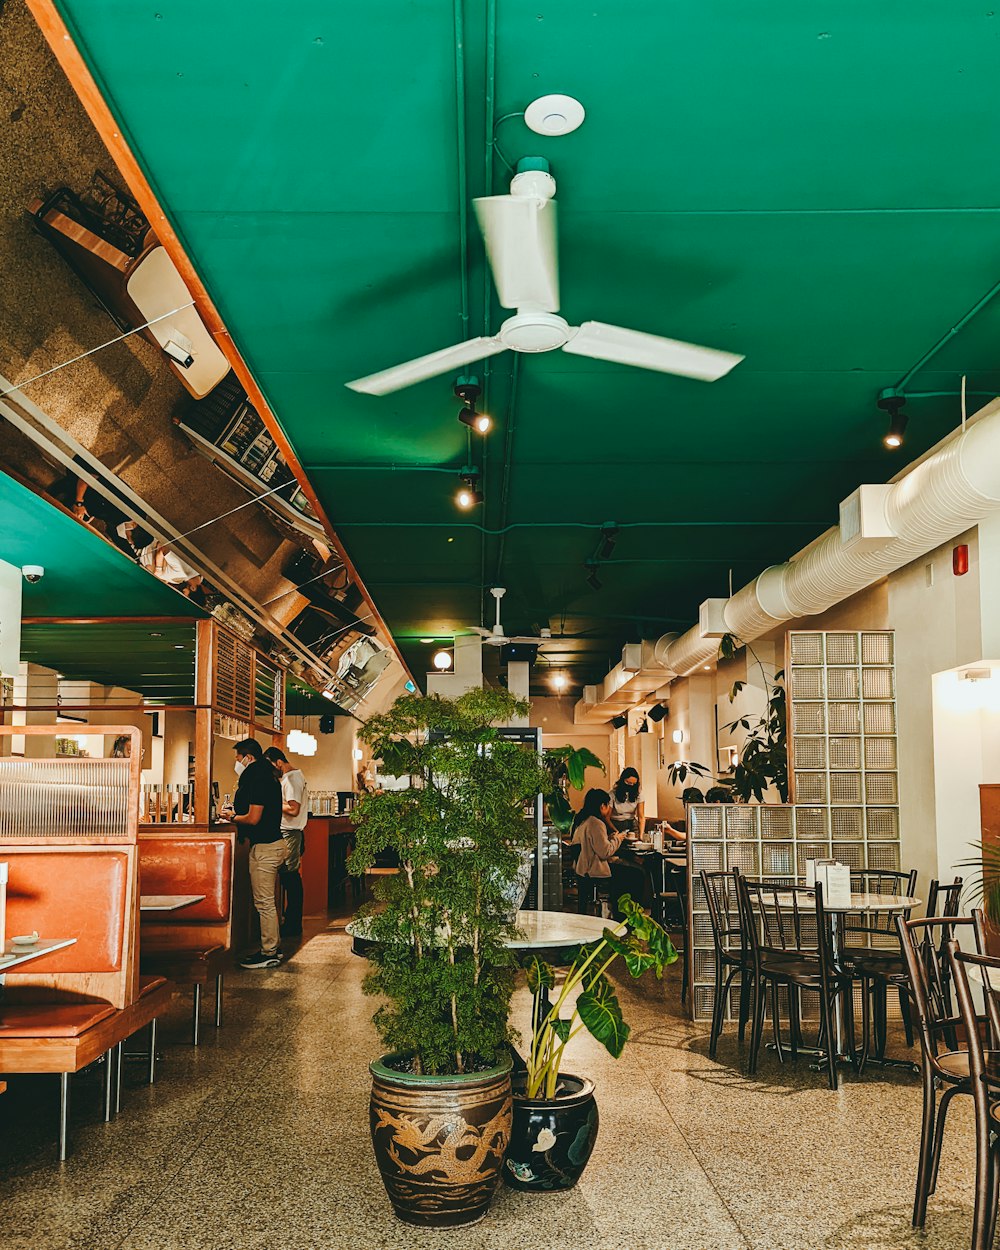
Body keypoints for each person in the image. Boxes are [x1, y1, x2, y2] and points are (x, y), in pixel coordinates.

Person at [220, 738, 287, 969]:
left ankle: (269, 951)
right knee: (267, 901)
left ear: (248, 757)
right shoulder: (267, 775)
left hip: (266, 847)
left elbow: (254, 817)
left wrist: (232, 818)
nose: (236, 762)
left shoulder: (256, 777)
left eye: (238, 758)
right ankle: (273, 948)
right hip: (273, 844)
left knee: (264, 902)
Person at [572, 787, 646, 921]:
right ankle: (628, 917)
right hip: (596, 869)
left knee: (631, 870)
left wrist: (610, 838)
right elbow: (605, 852)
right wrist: (618, 838)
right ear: (602, 806)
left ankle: (621, 914)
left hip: (583, 868)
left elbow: (597, 845)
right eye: (607, 806)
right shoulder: (596, 823)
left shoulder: (582, 820)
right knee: (638, 873)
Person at [263, 746, 309, 938]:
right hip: (291, 832)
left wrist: (272, 801)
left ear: (278, 762)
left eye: (271, 765)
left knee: (290, 878)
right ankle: (291, 920)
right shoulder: (294, 777)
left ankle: (292, 923)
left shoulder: (291, 779)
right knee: (290, 878)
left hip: (290, 832)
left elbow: (293, 809)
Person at [608, 768, 645, 840]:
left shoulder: (639, 794)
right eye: (628, 783)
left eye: (633, 784)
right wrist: (615, 831)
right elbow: (607, 817)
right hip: (615, 823)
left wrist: (641, 836)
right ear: (622, 780)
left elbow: (641, 817)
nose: (631, 786)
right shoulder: (612, 794)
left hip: (631, 823)